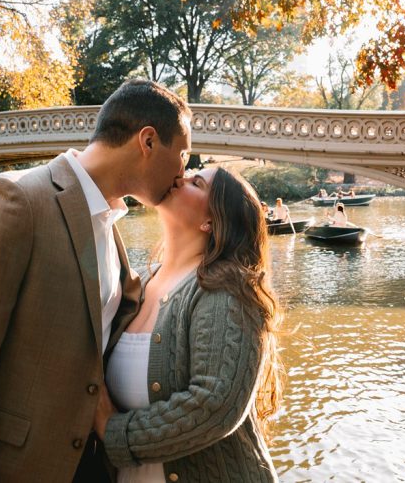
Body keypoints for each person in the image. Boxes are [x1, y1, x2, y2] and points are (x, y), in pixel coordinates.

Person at [0, 79, 192, 482]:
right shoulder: (15, 201)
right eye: (183, 155)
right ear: (147, 142)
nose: (184, 173)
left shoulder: (108, 221)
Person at [94, 166, 284, 481]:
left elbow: (214, 405)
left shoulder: (227, 289)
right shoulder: (139, 285)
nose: (179, 178)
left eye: (196, 183)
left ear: (211, 221)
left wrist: (114, 432)